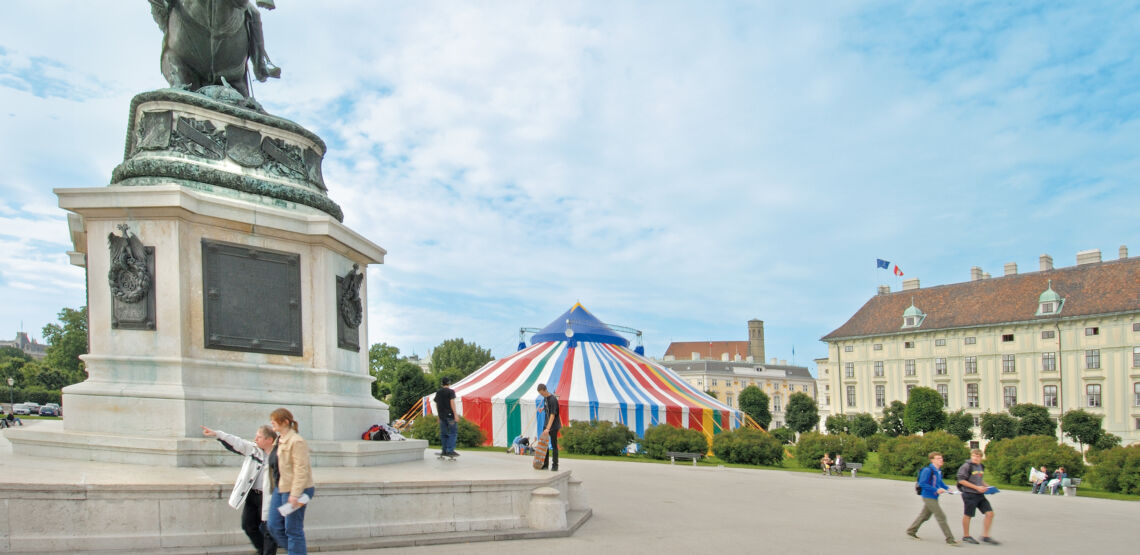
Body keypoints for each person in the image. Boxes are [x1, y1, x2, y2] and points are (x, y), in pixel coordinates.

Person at [202, 424, 278, 555]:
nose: (255, 439)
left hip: (270, 497)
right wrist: (218, 434)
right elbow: (237, 442)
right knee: (248, 525)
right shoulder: (253, 449)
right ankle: (262, 550)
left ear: (269, 440)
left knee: (269, 530)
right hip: (253, 495)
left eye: (259, 437)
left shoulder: (279, 456)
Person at [267, 408, 314, 555]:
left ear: (285, 422)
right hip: (280, 487)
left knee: (293, 528)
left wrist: (295, 494)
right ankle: (297, 551)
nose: (272, 423)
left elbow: (301, 470)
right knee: (274, 525)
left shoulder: (297, 441)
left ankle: (296, 552)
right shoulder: (278, 440)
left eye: (274, 420)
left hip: (296, 489)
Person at [906, 451, 959, 546]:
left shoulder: (938, 471)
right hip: (928, 496)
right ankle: (950, 539)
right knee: (941, 516)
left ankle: (911, 531)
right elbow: (922, 483)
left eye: (941, 458)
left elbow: (940, 482)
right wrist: (936, 489)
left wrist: (948, 489)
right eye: (938, 458)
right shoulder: (927, 470)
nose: (941, 460)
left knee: (924, 516)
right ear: (932, 460)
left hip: (934, 496)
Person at [957, 449, 999, 545]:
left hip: (980, 494)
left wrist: (988, 487)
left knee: (990, 513)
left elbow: (980, 480)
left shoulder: (981, 466)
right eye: (974, 456)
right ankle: (966, 536)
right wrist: (977, 487)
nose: (976, 458)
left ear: (981, 457)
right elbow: (961, 480)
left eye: (978, 456)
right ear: (971, 456)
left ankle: (985, 536)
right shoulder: (966, 466)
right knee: (968, 515)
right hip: (969, 494)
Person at [537, 383, 561, 471]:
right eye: (540, 393)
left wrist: (548, 428)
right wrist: (543, 408)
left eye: (541, 393)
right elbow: (548, 407)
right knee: (544, 445)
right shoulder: (545, 398)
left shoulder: (553, 399)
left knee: (554, 445)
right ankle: (545, 465)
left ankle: (555, 465)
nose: (541, 395)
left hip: (553, 426)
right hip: (546, 424)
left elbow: (552, 415)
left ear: (545, 390)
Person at [434, 377, 459, 457]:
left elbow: (437, 404)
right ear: (449, 383)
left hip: (442, 416)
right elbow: (452, 402)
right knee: (453, 433)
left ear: (442, 384)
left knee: (443, 434)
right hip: (450, 416)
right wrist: (455, 414)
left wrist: (439, 415)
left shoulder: (438, 392)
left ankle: (444, 450)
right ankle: (450, 450)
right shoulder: (451, 391)